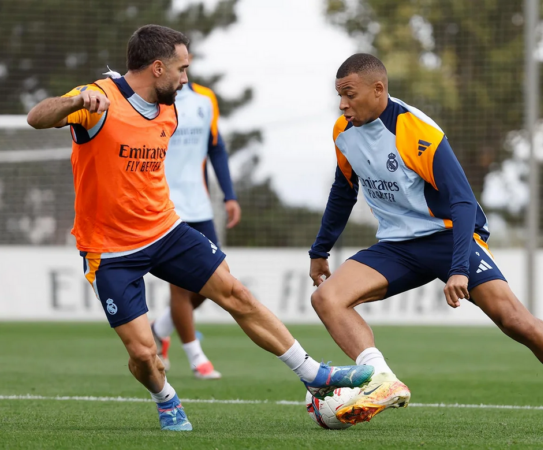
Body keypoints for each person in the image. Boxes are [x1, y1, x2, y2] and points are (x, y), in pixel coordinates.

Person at [26, 25, 374, 432]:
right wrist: (73, 102)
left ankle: (313, 375)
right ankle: (165, 397)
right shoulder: (98, 98)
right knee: (143, 354)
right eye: (182, 68)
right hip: (110, 250)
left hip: (166, 230)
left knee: (236, 293)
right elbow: (36, 117)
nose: (186, 78)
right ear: (158, 68)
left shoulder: (170, 108)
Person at [308, 53, 543, 434]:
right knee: (326, 298)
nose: (343, 104)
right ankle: (381, 378)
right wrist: (320, 250)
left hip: (449, 237)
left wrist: (459, 267)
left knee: (515, 320)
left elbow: (461, 201)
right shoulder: (343, 132)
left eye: (350, 94)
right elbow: (343, 191)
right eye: (339, 96)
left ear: (378, 89)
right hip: (397, 245)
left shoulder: (418, 131)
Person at [151, 57, 241, 380]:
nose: (183, 74)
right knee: (181, 286)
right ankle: (196, 358)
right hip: (166, 206)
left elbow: (215, 147)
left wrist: (229, 195)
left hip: (200, 205)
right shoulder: (153, 102)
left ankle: (160, 328)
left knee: (213, 281)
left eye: (185, 67)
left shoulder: (206, 99)